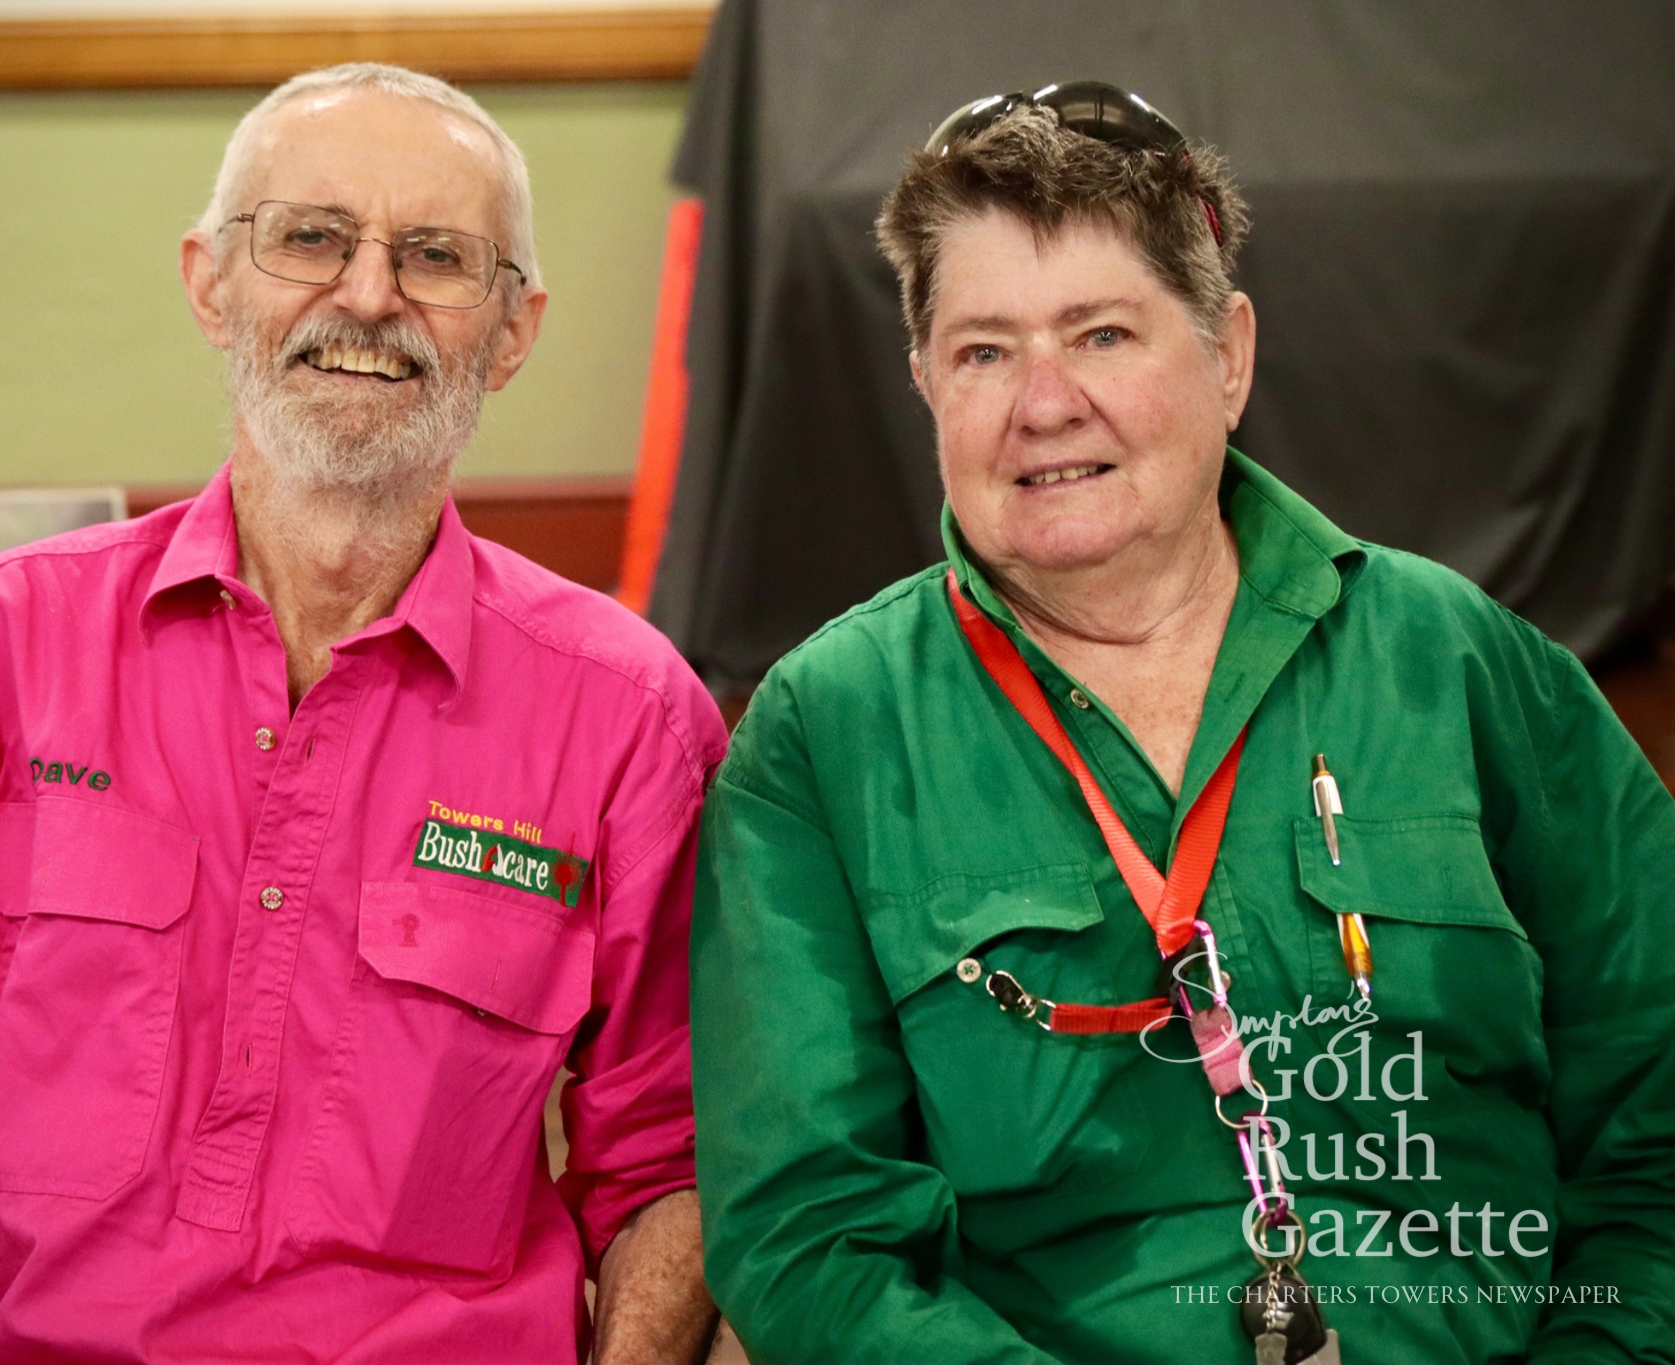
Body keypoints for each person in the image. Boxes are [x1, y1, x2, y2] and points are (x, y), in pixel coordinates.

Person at [0, 62, 725, 1365]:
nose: (369, 295)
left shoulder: (632, 717)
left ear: (514, 329)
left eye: (435, 256)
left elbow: (672, 1162)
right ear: (208, 280)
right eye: (310, 237)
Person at [690, 82, 1675, 1365]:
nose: (1042, 404)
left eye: (1100, 334)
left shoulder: (1461, 661)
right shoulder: (823, 734)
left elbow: (1655, 1122)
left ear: (1228, 355)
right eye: (984, 350)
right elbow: (810, 1236)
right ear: (925, 380)